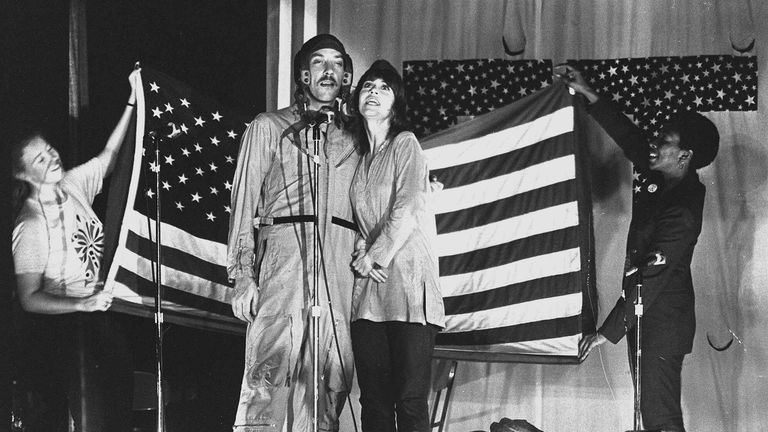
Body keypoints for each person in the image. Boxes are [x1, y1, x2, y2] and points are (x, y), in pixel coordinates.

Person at [559, 65, 719, 432]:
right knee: (651, 416)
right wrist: (590, 94)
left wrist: (607, 331)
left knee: (659, 417)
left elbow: (652, 276)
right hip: (649, 319)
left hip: (661, 322)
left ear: (685, 155)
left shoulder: (683, 208)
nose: (656, 144)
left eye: (665, 140)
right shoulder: (663, 179)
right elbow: (632, 139)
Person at [227, 34, 359, 432]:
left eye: (337, 63)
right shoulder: (269, 126)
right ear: (304, 73)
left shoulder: (356, 137)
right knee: (269, 376)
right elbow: (243, 204)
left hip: (337, 266)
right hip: (284, 261)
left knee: (330, 383)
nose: (328, 70)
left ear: (346, 75)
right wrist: (242, 276)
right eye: (319, 62)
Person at [11, 67, 140, 431]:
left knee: (116, 412)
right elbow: (29, 298)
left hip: (101, 318)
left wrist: (133, 100)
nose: (52, 158)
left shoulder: (73, 185)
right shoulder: (30, 225)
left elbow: (109, 155)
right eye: (40, 159)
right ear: (22, 175)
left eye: (49, 150)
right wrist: (81, 305)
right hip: (62, 333)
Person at [348, 59, 445, 432]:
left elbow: (407, 210)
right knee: (373, 402)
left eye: (384, 87)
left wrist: (373, 255)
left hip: (408, 289)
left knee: (409, 401)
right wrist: (361, 252)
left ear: (396, 103)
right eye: (367, 86)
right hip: (369, 295)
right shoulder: (361, 161)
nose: (373, 92)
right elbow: (362, 222)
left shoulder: (405, 144)